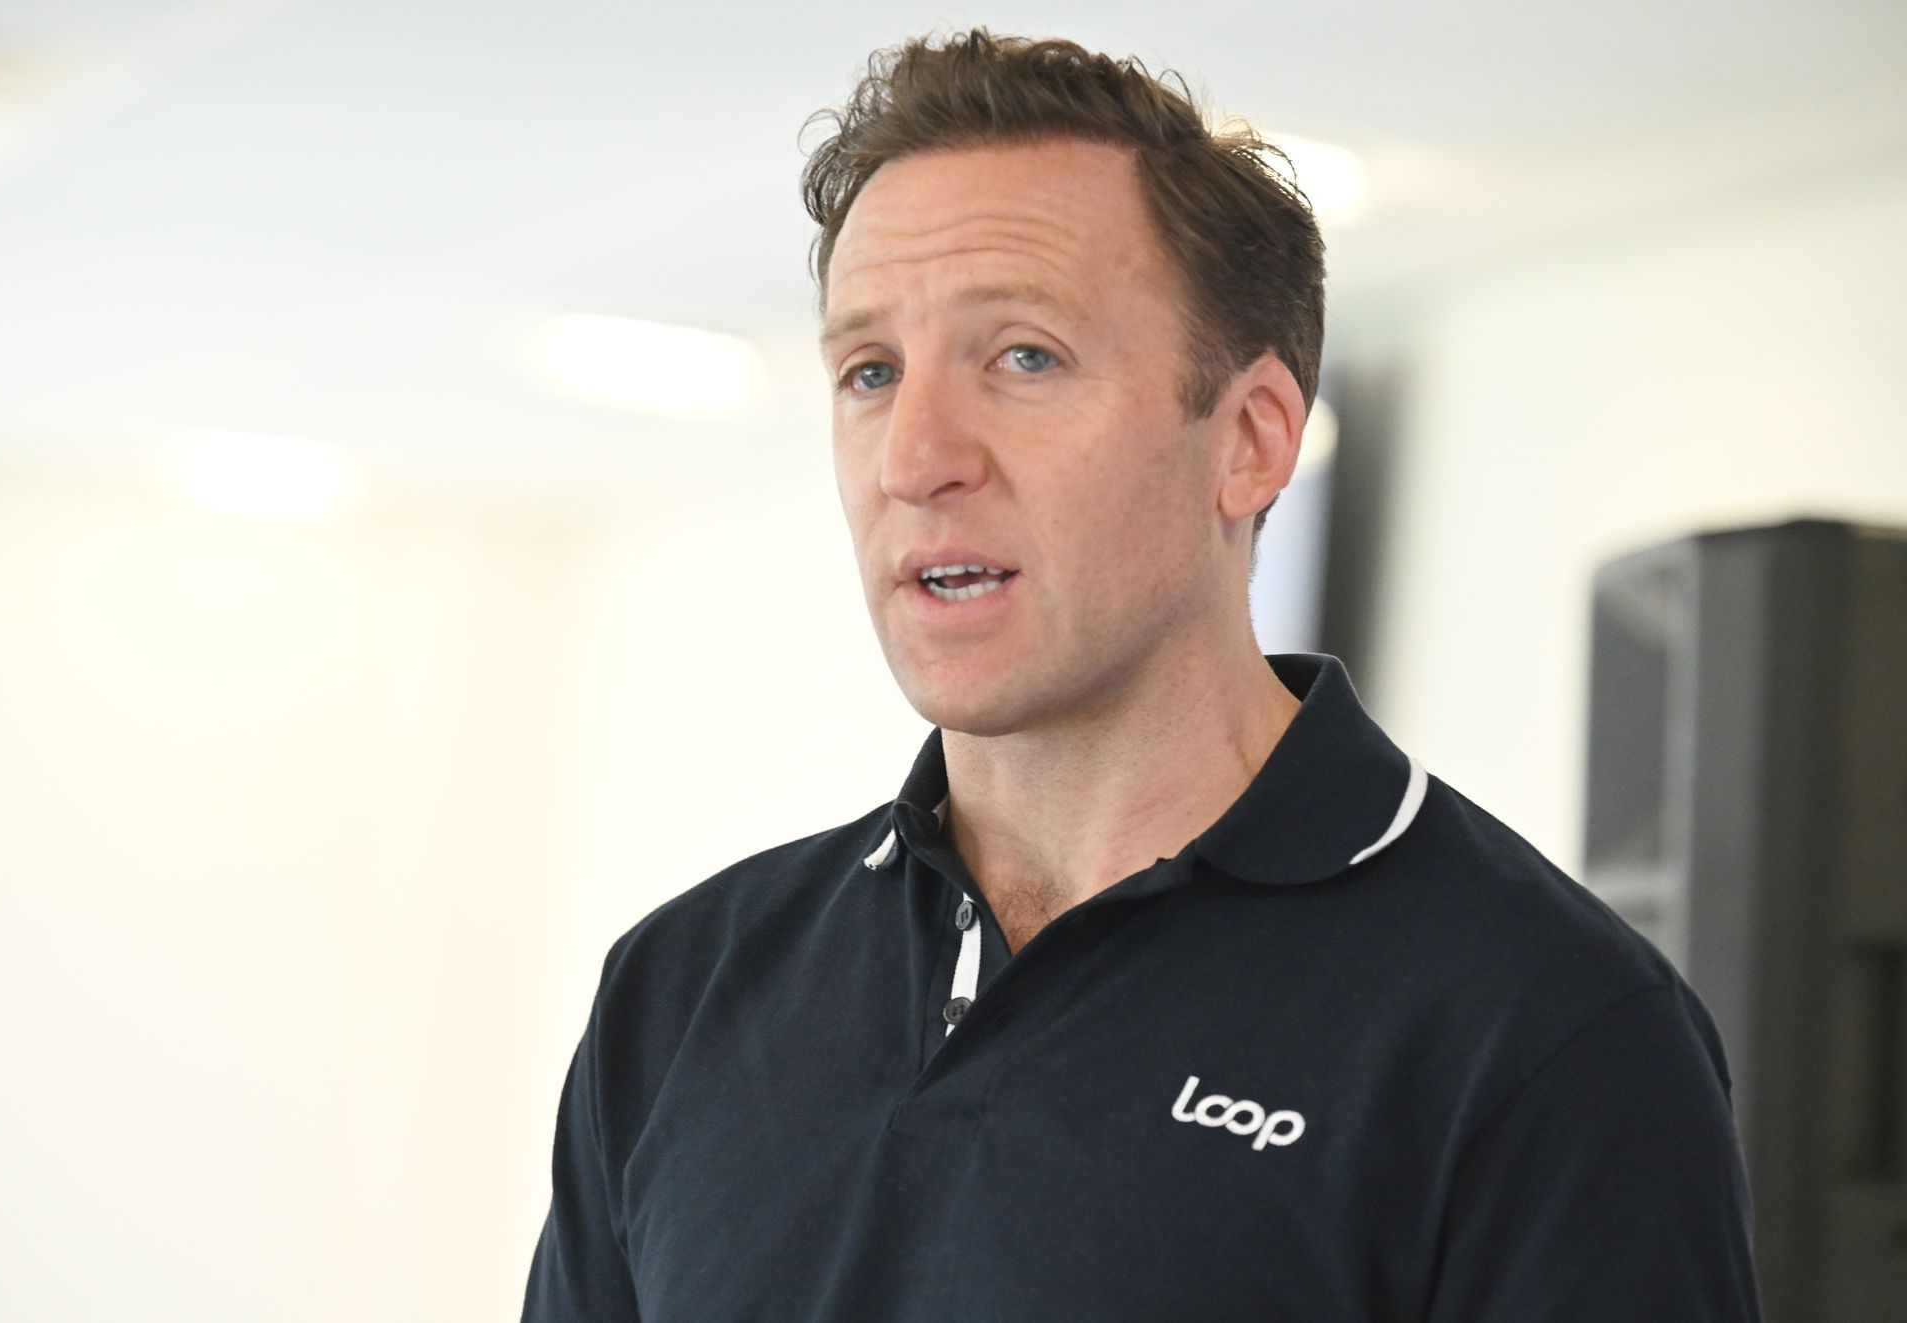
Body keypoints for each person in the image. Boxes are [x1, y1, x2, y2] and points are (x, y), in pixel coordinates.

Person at [522, 28, 1761, 1321]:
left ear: (1250, 443)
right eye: (870, 372)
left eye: (1024, 358)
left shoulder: (1543, 1026)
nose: (916, 455)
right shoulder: (684, 988)